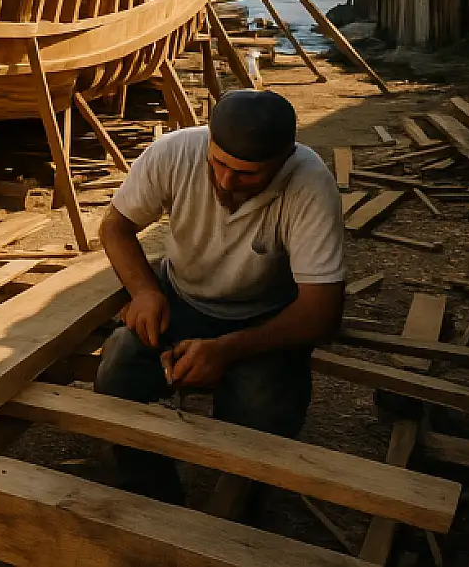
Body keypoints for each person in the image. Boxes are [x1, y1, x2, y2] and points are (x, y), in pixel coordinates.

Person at [94, 88, 346, 504]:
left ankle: (242, 501)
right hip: (183, 300)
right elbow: (115, 227)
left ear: (284, 160)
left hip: (266, 320)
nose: (227, 181)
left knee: (264, 410)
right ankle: (150, 497)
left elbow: (321, 313)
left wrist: (224, 352)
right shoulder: (174, 152)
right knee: (119, 364)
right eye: (219, 163)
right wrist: (144, 291)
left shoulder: (310, 184)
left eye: (247, 174)